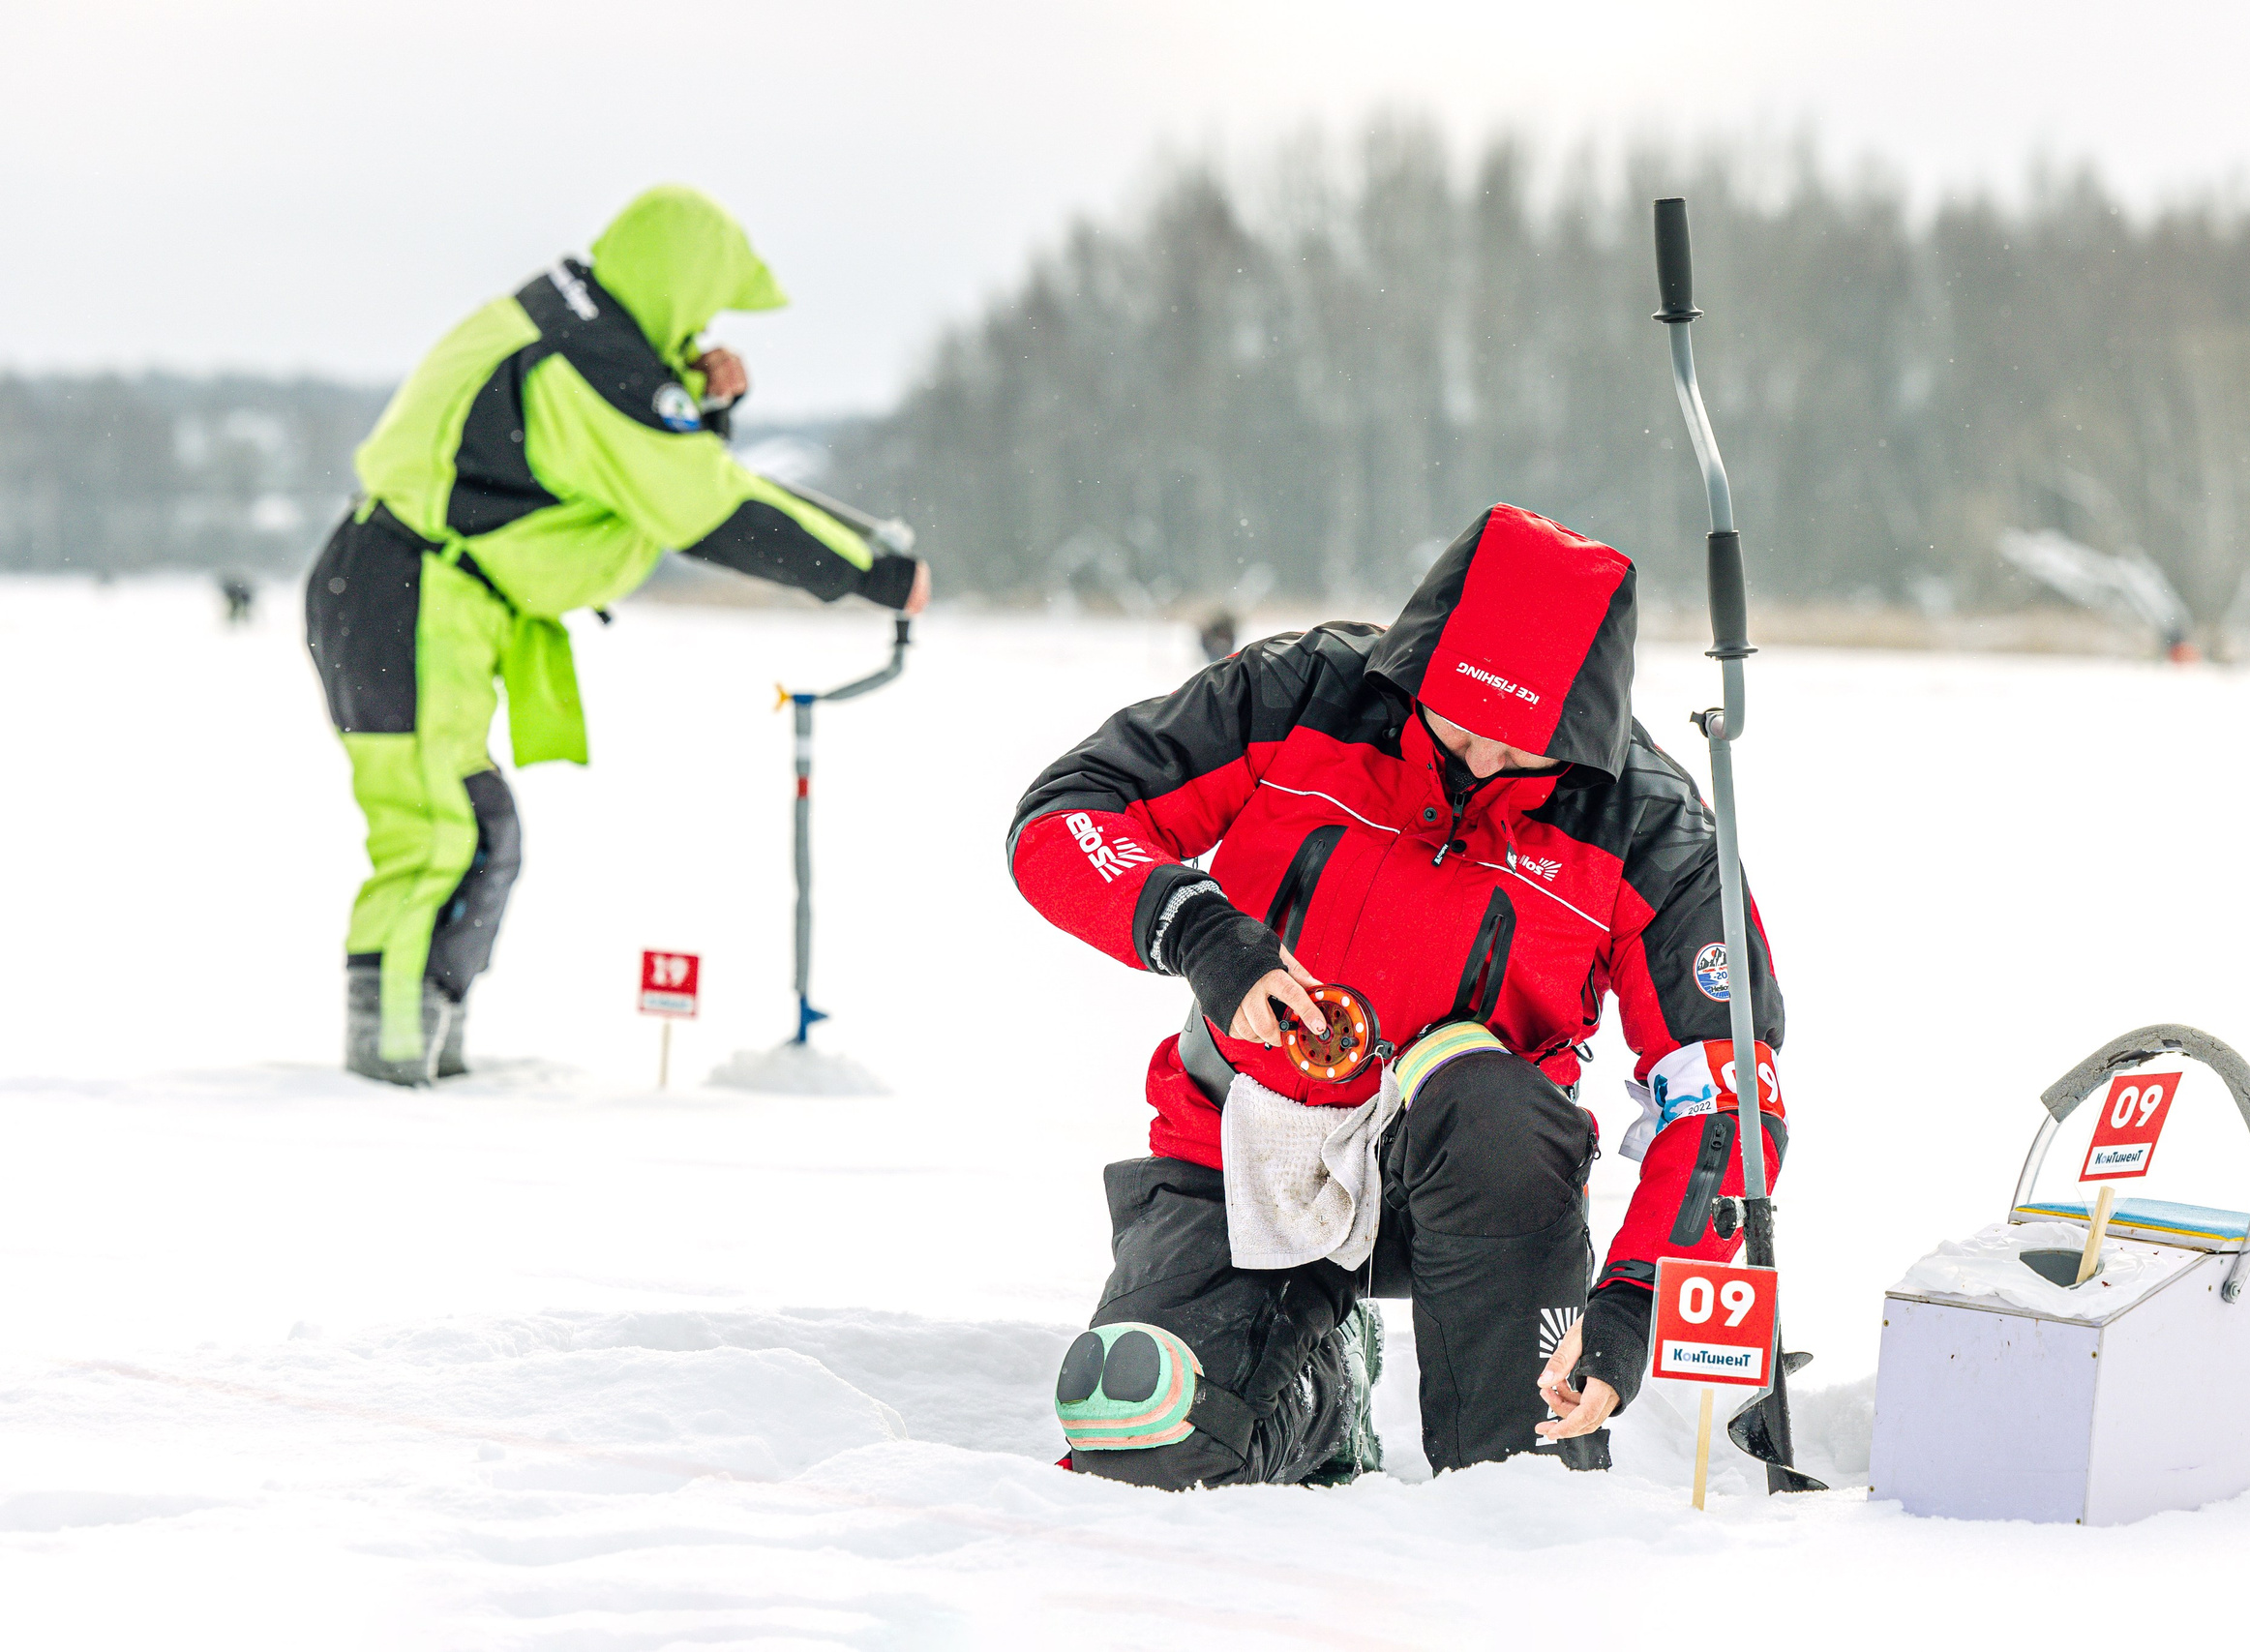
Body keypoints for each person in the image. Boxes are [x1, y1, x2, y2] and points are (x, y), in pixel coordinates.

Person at [1008, 502, 1786, 1487]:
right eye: (1461, 732)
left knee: (1528, 1495)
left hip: (1475, 1183)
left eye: (1520, 752)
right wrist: (1201, 932)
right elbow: (1069, 811)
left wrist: (1635, 1302)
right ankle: (1318, 1393)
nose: (1480, 769)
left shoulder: (1649, 826)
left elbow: (1727, 1097)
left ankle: (1505, 1446)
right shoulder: (1300, 697)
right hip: (1241, 1143)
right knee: (1145, 1443)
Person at [307, 185, 930, 1086]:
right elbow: (705, 504)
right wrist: (877, 572)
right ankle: (389, 1077)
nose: (705, 326)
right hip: (405, 597)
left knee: (474, 832)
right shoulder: (594, 367)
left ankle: (417, 1062)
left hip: (403, 590)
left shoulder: (573, 319)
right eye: (705, 304)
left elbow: (655, 466)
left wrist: (703, 405)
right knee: (439, 836)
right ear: (679, 281)